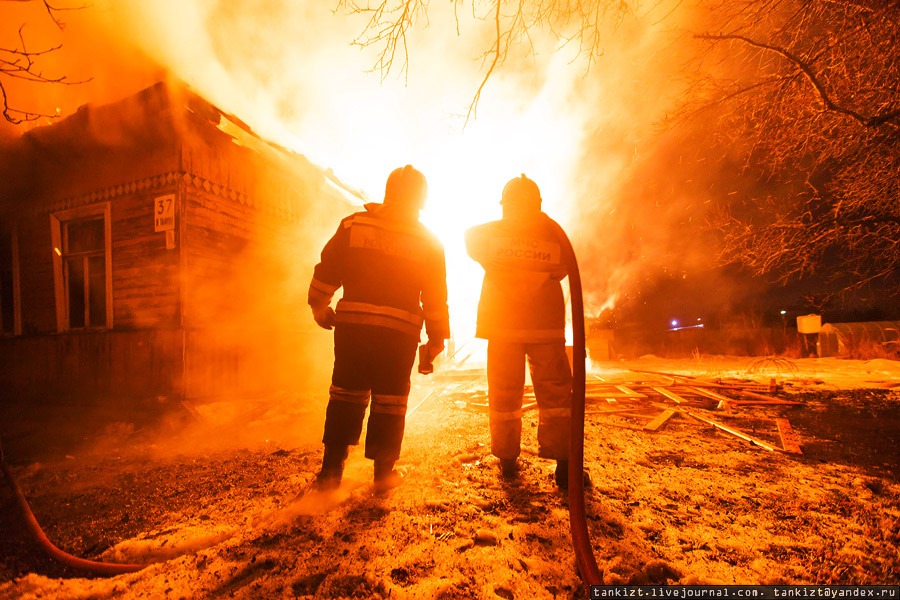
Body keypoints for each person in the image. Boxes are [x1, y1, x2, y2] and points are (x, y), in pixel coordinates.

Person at [308, 165, 449, 492]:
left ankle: (330, 472)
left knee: (345, 395)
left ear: (387, 193)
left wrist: (319, 305)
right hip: (399, 335)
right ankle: (383, 475)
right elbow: (435, 297)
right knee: (391, 401)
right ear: (422, 199)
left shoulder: (353, 225)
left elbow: (328, 269)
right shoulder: (428, 242)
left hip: (354, 330)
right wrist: (436, 338)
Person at [465, 174, 579, 489]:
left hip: (502, 326)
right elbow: (565, 267)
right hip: (545, 327)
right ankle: (564, 465)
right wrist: (538, 225)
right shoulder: (554, 236)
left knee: (504, 395)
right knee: (557, 397)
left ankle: (507, 461)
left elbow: (470, 239)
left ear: (505, 205)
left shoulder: (490, 236)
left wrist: (508, 233)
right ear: (538, 205)